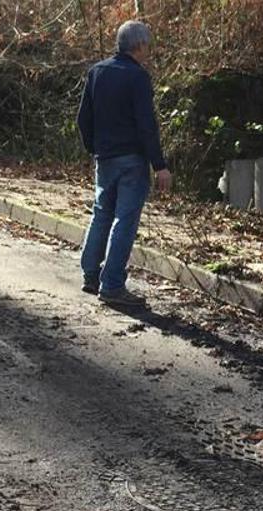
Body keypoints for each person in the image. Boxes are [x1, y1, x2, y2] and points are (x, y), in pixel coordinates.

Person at [76, 20, 172, 307]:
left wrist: (95, 148)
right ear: (139, 45)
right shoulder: (138, 77)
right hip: (132, 160)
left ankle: (91, 274)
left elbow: (83, 119)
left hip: (104, 158)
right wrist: (159, 165)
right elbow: (146, 125)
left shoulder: (97, 72)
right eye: (148, 46)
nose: (149, 52)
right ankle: (113, 284)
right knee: (125, 220)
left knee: (101, 214)